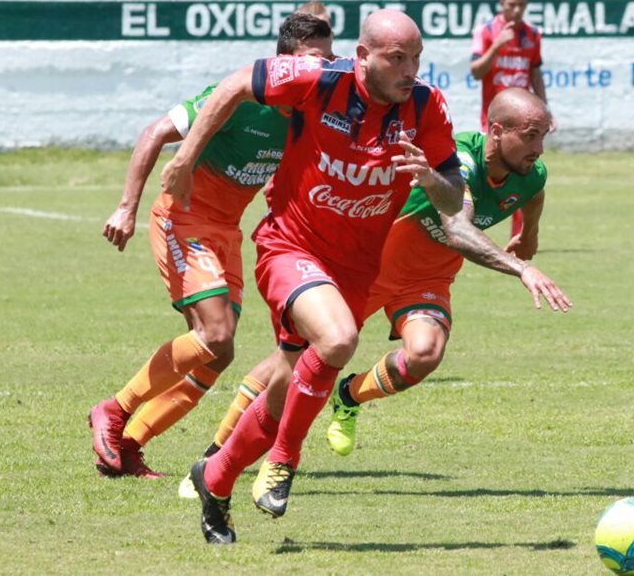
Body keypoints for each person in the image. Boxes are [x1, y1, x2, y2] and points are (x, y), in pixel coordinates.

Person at [176, 88, 571, 498]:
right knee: (289, 363)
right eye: (530, 136)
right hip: (371, 269)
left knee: (424, 355)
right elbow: (460, 228)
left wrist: (528, 234)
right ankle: (214, 454)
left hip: (427, 280)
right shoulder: (459, 161)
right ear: (495, 131)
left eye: (544, 136)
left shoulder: (532, 174)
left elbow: (534, 193)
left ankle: (349, 395)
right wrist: (522, 268)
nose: (539, 149)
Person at [172, 10, 464, 544]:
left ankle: (214, 479)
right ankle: (284, 460)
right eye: (396, 58)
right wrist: (187, 159)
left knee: (285, 387)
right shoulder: (316, 82)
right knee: (339, 338)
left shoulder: (425, 105)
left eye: (416, 58)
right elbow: (238, 83)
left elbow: (453, 194)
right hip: (290, 246)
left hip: (355, 269)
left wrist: (429, 177)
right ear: (363, 57)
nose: (409, 70)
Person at [86, 9, 333, 478]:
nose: (323, 68)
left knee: (219, 352)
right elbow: (156, 132)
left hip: (226, 231)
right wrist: (126, 206)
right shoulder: (241, 96)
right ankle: (114, 411)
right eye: (313, 59)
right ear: (285, 62)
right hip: (182, 220)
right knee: (215, 335)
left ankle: (130, 444)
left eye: (328, 57)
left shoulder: (311, 112)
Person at [470, 0, 547, 239]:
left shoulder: (532, 35)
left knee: (523, 173)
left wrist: (545, 110)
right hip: (496, 121)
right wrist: (497, 46)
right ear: (502, 4)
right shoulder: (487, 31)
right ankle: (470, 225)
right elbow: (476, 71)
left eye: (521, 6)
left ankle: (520, 236)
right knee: (487, 174)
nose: (516, 10)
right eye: (511, 5)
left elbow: (535, 73)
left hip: (524, 122)